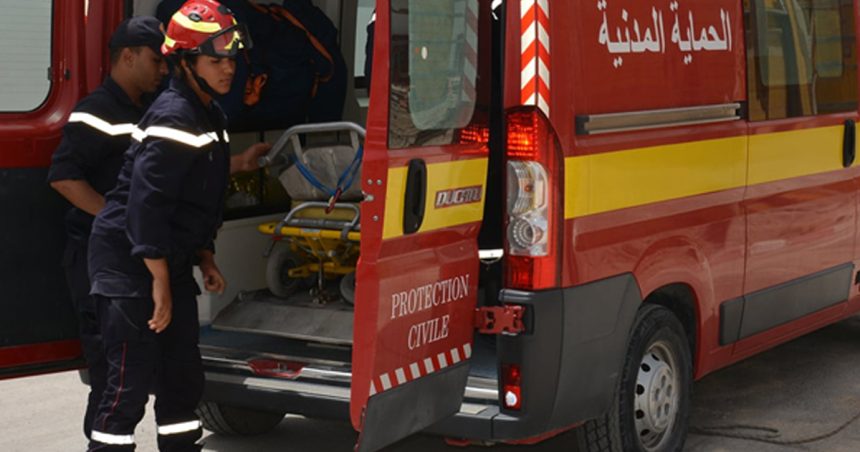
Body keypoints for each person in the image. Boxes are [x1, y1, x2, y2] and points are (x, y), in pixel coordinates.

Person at [48, 14, 268, 445]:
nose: (228, 68)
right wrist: (161, 280)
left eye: (232, 58)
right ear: (187, 62)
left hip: (163, 259)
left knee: (182, 379)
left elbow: (200, 194)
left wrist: (204, 255)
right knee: (126, 385)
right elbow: (147, 204)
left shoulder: (208, 115)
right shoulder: (172, 116)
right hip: (130, 265)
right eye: (215, 59)